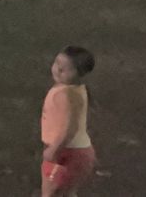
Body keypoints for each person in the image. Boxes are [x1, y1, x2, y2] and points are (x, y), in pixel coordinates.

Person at [40, 46, 97, 196]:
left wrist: (54, 150)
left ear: (80, 73)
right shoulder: (74, 90)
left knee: (51, 193)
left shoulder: (67, 95)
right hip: (75, 153)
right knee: (66, 193)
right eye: (57, 63)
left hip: (67, 153)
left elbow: (70, 128)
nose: (58, 70)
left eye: (65, 69)